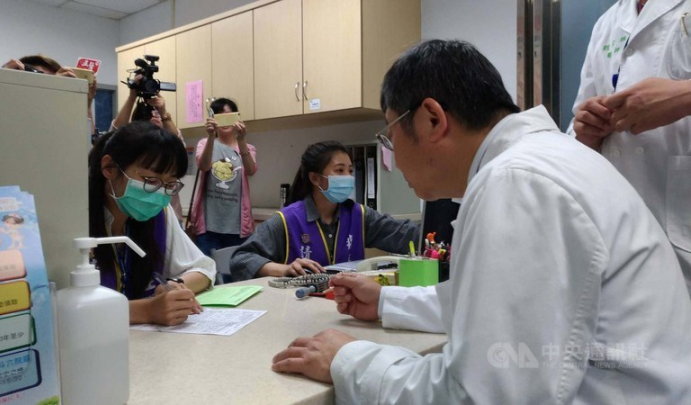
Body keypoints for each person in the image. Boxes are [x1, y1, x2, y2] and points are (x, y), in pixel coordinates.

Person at [271, 40, 691, 404]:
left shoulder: (517, 182)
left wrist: (347, 359)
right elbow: (492, 304)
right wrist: (385, 301)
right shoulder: (542, 161)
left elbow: (480, 396)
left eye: (389, 133)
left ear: (432, 119)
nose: (392, 157)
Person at [569, 0, 691, 295]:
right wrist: (585, 130)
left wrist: (683, 96)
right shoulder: (609, 22)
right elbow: (579, 122)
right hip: (621, 247)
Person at [230, 141, 419, 280]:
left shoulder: (359, 215)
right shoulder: (287, 220)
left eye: (350, 171)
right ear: (315, 179)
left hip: (346, 305)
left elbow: (404, 234)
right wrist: (283, 269)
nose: (348, 177)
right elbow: (241, 259)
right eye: (339, 171)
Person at [89, 121, 216, 326]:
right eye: (151, 180)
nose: (159, 193)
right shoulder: (75, 218)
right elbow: (61, 306)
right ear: (109, 168)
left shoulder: (160, 213)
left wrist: (174, 286)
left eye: (170, 184)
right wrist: (147, 310)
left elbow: (204, 269)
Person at [190, 98, 257, 259]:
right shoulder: (205, 143)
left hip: (238, 227)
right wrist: (211, 137)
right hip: (209, 226)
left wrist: (241, 140)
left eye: (229, 115)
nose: (225, 120)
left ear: (237, 117)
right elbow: (203, 166)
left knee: (237, 275)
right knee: (210, 276)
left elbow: (251, 170)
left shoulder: (248, 148)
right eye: (220, 116)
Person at [111, 78, 184, 222]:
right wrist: (132, 97)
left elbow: (178, 149)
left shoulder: (170, 142)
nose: (155, 116)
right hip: (133, 210)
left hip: (169, 215)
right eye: (149, 114)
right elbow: (115, 134)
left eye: (157, 114)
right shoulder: (133, 144)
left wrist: (163, 112)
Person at [3, 54, 97, 134]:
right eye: (44, 80)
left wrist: (86, 104)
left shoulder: (59, 121)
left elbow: (87, 147)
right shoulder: (10, 115)